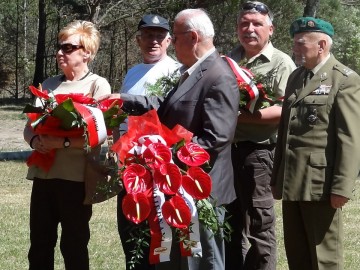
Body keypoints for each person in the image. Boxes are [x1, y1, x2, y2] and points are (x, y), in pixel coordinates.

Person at [101, 8, 239, 270]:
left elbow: (216, 137)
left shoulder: (217, 75)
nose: (172, 43)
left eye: (174, 37)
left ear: (193, 37)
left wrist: (164, 157)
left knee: (203, 261)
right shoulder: (193, 71)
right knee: (180, 262)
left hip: (201, 190)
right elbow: (162, 104)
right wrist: (123, 99)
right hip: (180, 187)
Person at [271, 17, 360, 270]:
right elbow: (286, 131)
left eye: (300, 44)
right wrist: (278, 178)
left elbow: (350, 139)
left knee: (324, 258)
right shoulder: (296, 77)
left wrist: (342, 187)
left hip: (321, 185)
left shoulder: (344, 79)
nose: (295, 49)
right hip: (292, 181)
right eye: (295, 44)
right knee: (297, 255)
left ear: (321, 45)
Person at [23, 20, 111, 269]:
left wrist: (59, 142)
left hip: (77, 180)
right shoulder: (48, 85)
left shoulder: (98, 85)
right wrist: (35, 140)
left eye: (68, 47)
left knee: (73, 246)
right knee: (39, 245)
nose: (60, 52)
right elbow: (29, 127)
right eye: (59, 47)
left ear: (87, 53)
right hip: (43, 176)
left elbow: (99, 135)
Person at [225, 2, 296, 270]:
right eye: (244, 24)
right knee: (229, 222)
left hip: (259, 154)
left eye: (257, 24)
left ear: (271, 29)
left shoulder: (281, 63)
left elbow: (283, 109)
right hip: (227, 152)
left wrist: (237, 116)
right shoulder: (229, 59)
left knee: (259, 224)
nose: (250, 29)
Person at [116, 14, 179, 270]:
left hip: (159, 169)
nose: (154, 41)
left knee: (158, 236)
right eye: (148, 36)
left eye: (159, 36)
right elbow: (122, 118)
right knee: (130, 229)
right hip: (129, 165)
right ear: (138, 40)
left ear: (169, 41)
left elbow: (165, 112)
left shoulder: (176, 71)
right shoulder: (132, 73)